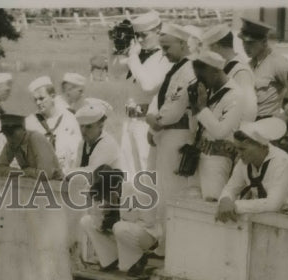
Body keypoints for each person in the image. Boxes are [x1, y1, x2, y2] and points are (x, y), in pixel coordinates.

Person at [146, 23, 197, 215]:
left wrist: (153, 122)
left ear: (183, 44)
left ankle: (169, 238)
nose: (164, 53)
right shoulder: (178, 68)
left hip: (178, 134)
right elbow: (161, 99)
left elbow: (171, 112)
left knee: (171, 193)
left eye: (167, 47)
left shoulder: (189, 70)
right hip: (167, 135)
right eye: (162, 48)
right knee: (162, 189)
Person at [216, 118, 288, 222]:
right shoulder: (244, 161)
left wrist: (235, 205)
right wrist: (225, 199)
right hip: (267, 220)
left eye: (243, 149)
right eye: (237, 149)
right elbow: (230, 188)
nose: (239, 154)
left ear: (261, 146)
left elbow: (273, 204)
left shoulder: (282, 162)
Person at [79, 168, 161, 275]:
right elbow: (97, 218)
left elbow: (149, 222)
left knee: (119, 227)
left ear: (117, 186)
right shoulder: (109, 197)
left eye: (107, 194)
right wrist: (102, 221)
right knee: (86, 221)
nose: (106, 198)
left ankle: (137, 260)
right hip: (122, 233)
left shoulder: (136, 191)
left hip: (146, 235)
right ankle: (110, 259)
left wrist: (117, 221)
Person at [189, 50, 246, 200]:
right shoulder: (209, 92)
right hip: (199, 157)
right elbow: (193, 129)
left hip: (218, 159)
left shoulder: (235, 95)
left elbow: (220, 132)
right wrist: (195, 108)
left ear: (215, 71)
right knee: (193, 206)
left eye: (202, 76)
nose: (200, 81)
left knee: (213, 203)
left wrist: (202, 108)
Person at [119, 10, 171, 176]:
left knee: (147, 170)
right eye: (137, 36)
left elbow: (148, 85)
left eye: (144, 35)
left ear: (158, 30)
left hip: (147, 123)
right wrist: (115, 45)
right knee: (128, 171)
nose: (140, 40)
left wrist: (133, 57)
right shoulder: (139, 55)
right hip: (130, 120)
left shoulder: (165, 56)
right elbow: (114, 71)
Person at [239, 18, 288, 123]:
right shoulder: (249, 65)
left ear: (264, 42)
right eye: (244, 42)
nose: (245, 47)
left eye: (251, 43)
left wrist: (282, 119)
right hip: (248, 125)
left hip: (266, 125)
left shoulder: (278, 63)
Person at [199, 24, 257, 122]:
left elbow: (249, 110)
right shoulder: (225, 68)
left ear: (216, 47)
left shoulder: (240, 72)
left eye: (207, 50)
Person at [26, 76, 81, 173]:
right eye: (35, 100)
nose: (38, 103)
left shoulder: (69, 119)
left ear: (52, 96)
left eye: (41, 98)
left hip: (64, 176)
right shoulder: (30, 123)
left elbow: (77, 152)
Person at [0, 113, 61, 180]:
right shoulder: (12, 142)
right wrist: (24, 172)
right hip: (34, 185)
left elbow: (45, 175)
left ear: (23, 129)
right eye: (5, 133)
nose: (9, 137)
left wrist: (25, 172)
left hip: (56, 185)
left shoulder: (36, 138)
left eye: (12, 133)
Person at [75, 99, 122, 172]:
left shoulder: (107, 144)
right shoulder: (83, 143)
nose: (83, 131)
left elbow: (91, 172)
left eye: (88, 126)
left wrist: (67, 172)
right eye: (81, 126)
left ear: (101, 125)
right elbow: (76, 168)